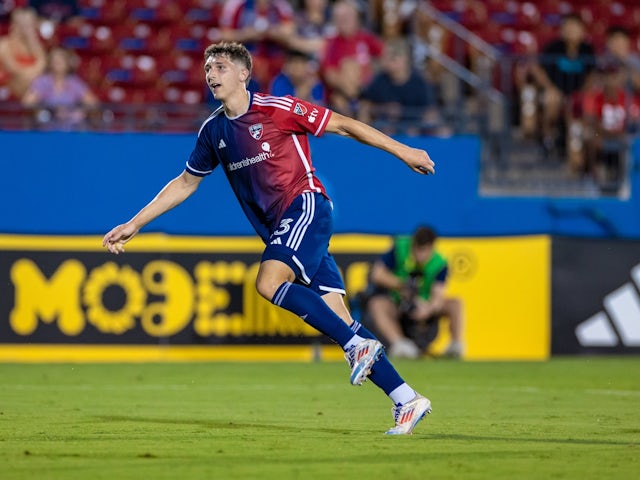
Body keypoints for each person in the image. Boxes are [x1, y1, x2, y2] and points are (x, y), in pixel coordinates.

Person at [103, 41, 435, 435]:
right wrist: (135, 222)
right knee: (341, 320)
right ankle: (405, 398)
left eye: (221, 66)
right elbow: (186, 183)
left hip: (305, 208)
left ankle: (355, 346)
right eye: (208, 68)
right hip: (284, 230)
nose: (211, 74)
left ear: (244, 74)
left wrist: (403, 150)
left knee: (269, 282)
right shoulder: (213, 131)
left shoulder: (278, 109)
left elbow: (344, 124)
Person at [366, 226, 463, 359]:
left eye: (423, 250)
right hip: (399, 302)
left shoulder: (439, 263)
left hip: (424, 305)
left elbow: (438, 295)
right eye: (416, 249)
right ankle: (400, 345)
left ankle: (455, 346)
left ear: (432, 247)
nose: (419, 255)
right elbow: (377, 274)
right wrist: (402, 285)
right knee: (376, 304)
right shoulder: (400, 248)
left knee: (455, 304)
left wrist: (428, 309)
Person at [529, 13, 596, 156]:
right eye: (567, 27)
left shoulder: (587, 50)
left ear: (582, 30)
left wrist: (581, 93)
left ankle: (575, 150)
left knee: (581, 106)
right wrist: (549, 87)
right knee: (551, 100)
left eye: (574, 27)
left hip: (578, 93)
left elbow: (592, 75)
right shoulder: (553, 48)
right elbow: (537, 69)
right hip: (555, 90)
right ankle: (548, 138)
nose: (571, 30)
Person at [358, 38, 441, 136]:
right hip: (385, 129)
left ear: (404, 60)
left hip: (415, 129)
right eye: (387, 57)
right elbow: (365, 105)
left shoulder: (420, 82)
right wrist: (384, 109)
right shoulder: (380, 80)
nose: (387, 62)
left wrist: (418, 124)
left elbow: (430, 111)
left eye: (393, 58)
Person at [320, 0, 383, 116]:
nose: (343, 20)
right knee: (348, 66)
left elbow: (384, 58)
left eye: (346, 16)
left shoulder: (367, 39)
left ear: (357, 18)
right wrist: (351, 89)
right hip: (341, 93)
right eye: (338, 17)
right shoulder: (331, 44)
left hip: (368, 91)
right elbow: (329, 75)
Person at [22, 46, 99, 130]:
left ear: (67, 63)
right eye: (54, 60)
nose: (57, 62)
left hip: (71, 131)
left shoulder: (74, 83)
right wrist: (50, 111)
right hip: (47, 130)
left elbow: (93, 104)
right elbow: (27, 103)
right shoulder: (43, 82)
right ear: (50, 63)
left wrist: (80, 112)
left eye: (60, 60)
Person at [0, 7, 46, 100]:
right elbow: (14, 68)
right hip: (9, 88)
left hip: (30, 89)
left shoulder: (36, 45)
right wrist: (32, 75)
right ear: (14, 25)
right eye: (22, 24)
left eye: (29, 24)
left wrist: (32, 41)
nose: (26, 28)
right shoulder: (4, 44)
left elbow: (42, 65)